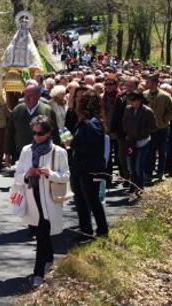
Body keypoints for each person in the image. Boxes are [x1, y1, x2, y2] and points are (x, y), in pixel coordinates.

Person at [12, 115, 70, 287]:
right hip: (32, 197)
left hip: (50, 199)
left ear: (50, 132)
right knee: (42, 232)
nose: (37, 137)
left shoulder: (59, 152)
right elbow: (17, 177)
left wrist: (49, 173)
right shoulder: (26, 150)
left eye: (41, 133)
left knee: (42, 233)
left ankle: (38, 274)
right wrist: (27, 174)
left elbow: (66, 176)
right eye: (34, 133)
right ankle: (49, 260)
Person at [70, 90, 109, 238]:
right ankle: (86, 230)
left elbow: (91, 146)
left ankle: (102, 230)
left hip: (90, 168)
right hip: (81, 166)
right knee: (80, 198)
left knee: (92, 199)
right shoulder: (86, 122)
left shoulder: (93, 123)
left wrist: (72, 143)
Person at [6, 84, 58, 166]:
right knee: (23, 177)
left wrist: (56, 151)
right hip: (22, 153)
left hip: (44, 153)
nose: (27, 98)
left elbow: (55, 133)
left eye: (30, 95)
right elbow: (10, 132)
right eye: (25, 95)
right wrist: (8, 152)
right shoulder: (17, 110)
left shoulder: (47, 110)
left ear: (38, 96)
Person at [123, 90, 156, 198]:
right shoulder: (128, 110)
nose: (131, 102)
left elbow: (152, 127)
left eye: (134, 100)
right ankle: (132, 187)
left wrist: (141, 134)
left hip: (143, 142)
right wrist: (128, 133)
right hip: (131, 142)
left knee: (138, 167)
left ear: (140, 100)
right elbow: (125, 122)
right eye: (130, 100)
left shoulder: (148, 111)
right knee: (131, 167)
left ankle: (140, 187)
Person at [143, 74, 172, 180]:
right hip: (149, 129)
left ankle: (160, 172)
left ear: (155, 83)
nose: (147, 84)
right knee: (150, 152)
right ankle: (148, 173)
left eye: (149, 82)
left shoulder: (165, 96)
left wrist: (165, 120)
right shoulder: (144, 95)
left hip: (162, 128)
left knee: (162, 151)